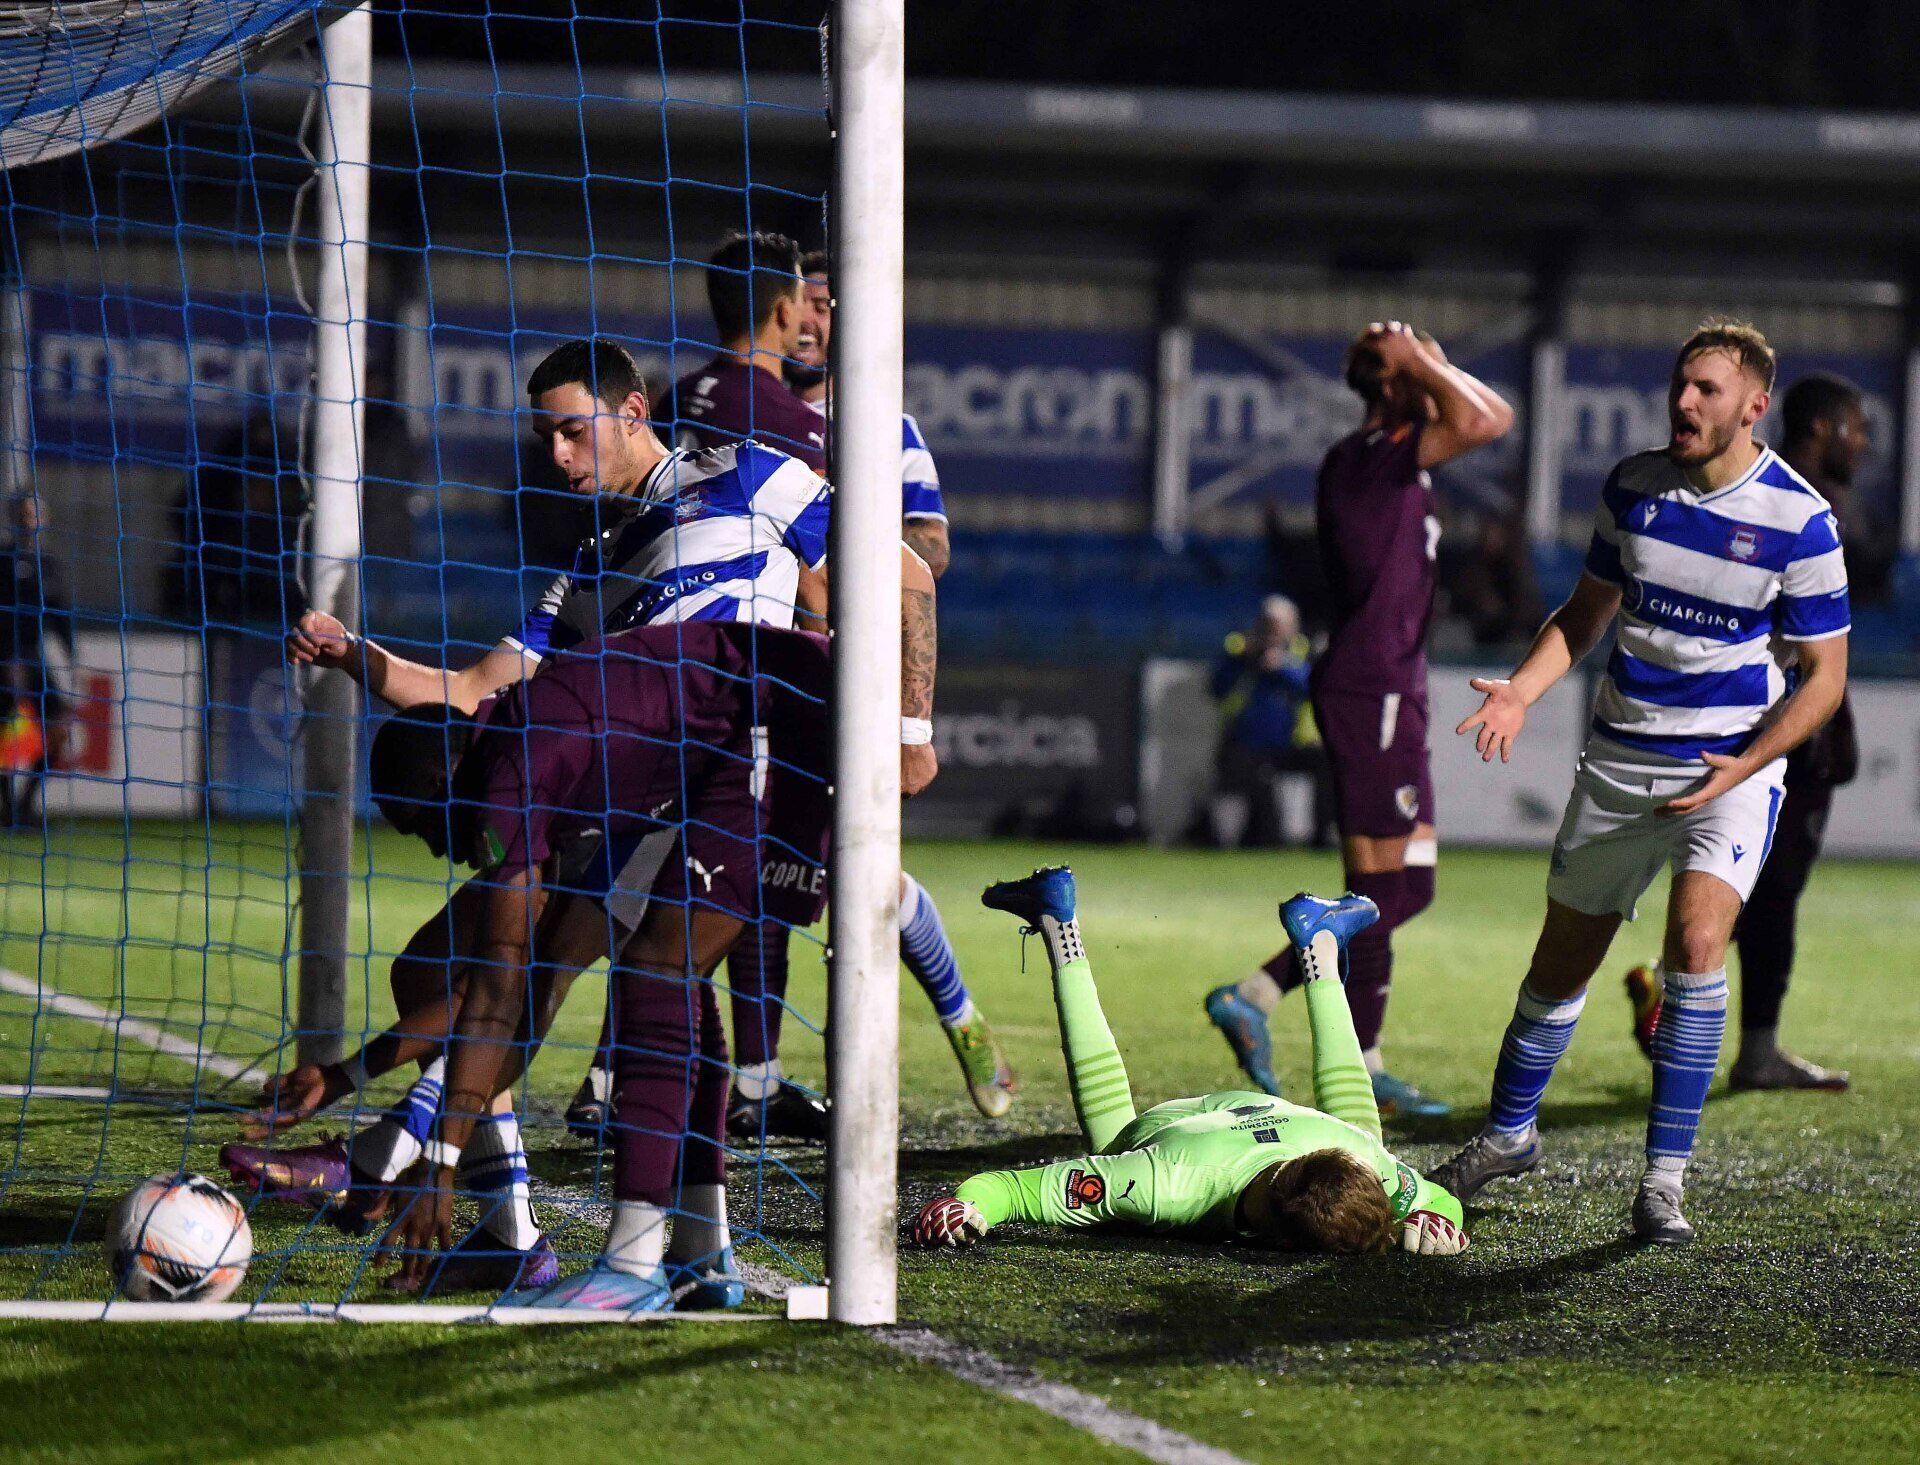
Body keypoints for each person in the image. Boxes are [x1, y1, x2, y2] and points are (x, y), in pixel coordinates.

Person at [224, 337, 937, 1283]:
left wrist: (908, 727)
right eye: (545, 439)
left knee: (558, 973)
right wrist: (353, 653)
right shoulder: (594, 570)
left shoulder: (748, 475)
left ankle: (431, 1173)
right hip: (631, 797)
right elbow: (475, 690)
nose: (557, 456)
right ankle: (606, 1235)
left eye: (571, 431)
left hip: (737, 770)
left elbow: (904, 571)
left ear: (632, 413)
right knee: (452, 966)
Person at [566, 237, 1008, 1138]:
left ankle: (954, 1010)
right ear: (780, 308)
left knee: (842, 874)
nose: (815, 319)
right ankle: (692, 1076)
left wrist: (833, 539)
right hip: (739, 674)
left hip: (835, 671)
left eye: (829, 306)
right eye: (806, 301)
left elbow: (927, 549)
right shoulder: (716, 406)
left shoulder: (880, 423)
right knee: (718, 873)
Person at [1431, 320, 1850, 1246]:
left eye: (1706, 389)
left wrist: (1753, 760)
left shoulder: (1801, 519)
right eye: (1679, 384)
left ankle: (1663, 1183)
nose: (1683, 401)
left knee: (1696, 948)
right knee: (1558, 966)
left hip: (1727, 770)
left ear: (1754, 405)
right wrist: (1523, 690)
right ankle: (1508, 1135)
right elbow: (1584, 615)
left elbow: (1826, 676)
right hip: (1621, 762)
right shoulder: (1634, 486)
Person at [371, 620, 836, 1311]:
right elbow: (519, 992)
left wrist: (435, 1157)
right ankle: (702, 1253)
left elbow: (501, 995)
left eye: (418, 823)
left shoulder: (515, 778)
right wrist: (399, 1118)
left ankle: (631, 1265)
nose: (435, 850)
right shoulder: (542, 756)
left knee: (657, 969)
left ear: (442, 779)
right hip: (752, 731)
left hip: (787, 723)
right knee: (673, 978)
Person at [1205, 322, 1513, 1118]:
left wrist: (1422, 362)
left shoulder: (1399, 457)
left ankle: (1254, 994)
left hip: (1397, 688)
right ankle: (1362, 1061)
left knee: (1411, 886)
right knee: (1374, 889)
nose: (1439, 374)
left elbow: (1477, 416)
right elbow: (1490, 418)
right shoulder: (1368, 455)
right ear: (1397, 382)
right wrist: (1421, 361)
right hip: (1368, 686)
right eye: (1423, 365)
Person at [914, 871, 1467, 1258]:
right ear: (1278, 1242)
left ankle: (1319, 946)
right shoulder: (1162, 1185)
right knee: (1110, 1144)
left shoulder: (1364, 1164)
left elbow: (1438, 1202)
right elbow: (1016, 1191)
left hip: (1281, 1126)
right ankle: (1058, 925)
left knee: (1364, 1133)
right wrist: (966, 1206)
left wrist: (1438, 1219)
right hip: (1173, 1135)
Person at [1621, 372, 1862, 1092]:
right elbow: (1809, 646)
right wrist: (1824, 728)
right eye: (1855, 428)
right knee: (1770, 889)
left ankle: (1698, 1007)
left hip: (1747, 721)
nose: (1863, 443)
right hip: (1775, 729)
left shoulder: (1773, 497)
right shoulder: (1806, 508)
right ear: (1820, 427)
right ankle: (1734, 1038)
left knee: (1752, 885)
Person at [1206, 594, 1332, 849]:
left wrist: (1282, 667)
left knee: (1327, 764)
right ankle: (1237, 838)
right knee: (1240, 766)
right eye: (1267, 626)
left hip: (1294, 742)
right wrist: (1244, 661)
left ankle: (1323, 836)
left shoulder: (1303, 650)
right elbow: (1217, 688)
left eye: (1279, 627)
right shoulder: (1240, 649)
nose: (1272, 634)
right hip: (1249, 743)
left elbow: (1315, 687)